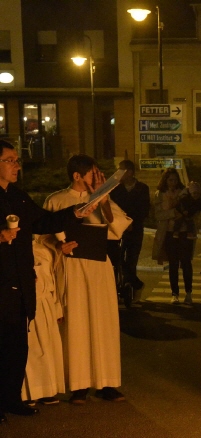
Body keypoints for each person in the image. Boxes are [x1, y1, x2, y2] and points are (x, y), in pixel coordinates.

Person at [0, 140, 90, 422]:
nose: (17, 165)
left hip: (20, 281)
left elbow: (41, 222)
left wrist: (76, 213)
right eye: (10, 160)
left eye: (17, 160)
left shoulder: (18, 196)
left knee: (17, 345)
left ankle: (11, 399)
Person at [44, 154, 125, 404]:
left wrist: (102, 197)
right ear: (77, 175)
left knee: (104, 323)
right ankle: (79, 385)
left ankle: (107, 382)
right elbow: (42, 235)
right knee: (77, 323)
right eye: (92, 173)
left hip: (99, 266)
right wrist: (59, 246)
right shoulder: (57, 200)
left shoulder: (102, 197)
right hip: (73, 265)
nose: (97, 177)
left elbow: (117, 226)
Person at [22, 235, 74, 406]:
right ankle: (28, 392)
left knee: (47, 347)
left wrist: (57, 307)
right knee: (30, 349)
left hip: (45, 302)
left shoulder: (46, 244)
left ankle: (45, 389)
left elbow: (54, 276)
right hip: (26, 302)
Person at [152, 168, 196, 304]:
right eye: (170, 180)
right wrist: (173, 213)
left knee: (186, 263)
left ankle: (188, 293)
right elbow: (158, 215)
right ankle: (174, 293)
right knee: (173, 264)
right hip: (169, 233)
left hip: (184, 232)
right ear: (165, 180)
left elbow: (193, 209)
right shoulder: (160, 194)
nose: (173, 183)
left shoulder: (184, 193)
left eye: (175, 180)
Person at [109, 159, 151, 301]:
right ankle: (134, 284)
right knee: (118, 258)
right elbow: (112, 207)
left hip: (135, 229)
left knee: (132, 260)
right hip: (118, 229)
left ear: (130, 172)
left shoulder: (142, 188)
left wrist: (132, 222)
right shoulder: (115, 189)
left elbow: (144, 209)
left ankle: (134, 291)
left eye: (121, 170)